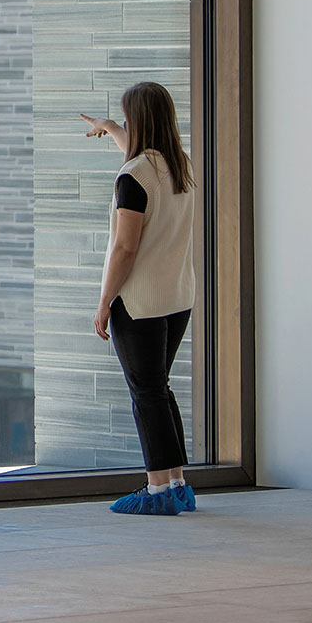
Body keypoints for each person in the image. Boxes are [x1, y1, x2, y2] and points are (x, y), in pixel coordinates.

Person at [82, 81, 199, 516]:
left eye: (126, 116)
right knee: (158, 391)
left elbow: (124, 248)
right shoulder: (178, 164)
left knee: (146, 394)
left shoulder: (132, 177)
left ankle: (156, 492)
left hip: (140, 303)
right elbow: (137, 157)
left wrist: (104, 301)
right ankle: (176, 485)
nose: (124, 123)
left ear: (140, 121)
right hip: (178, 299)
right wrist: (108, 126)